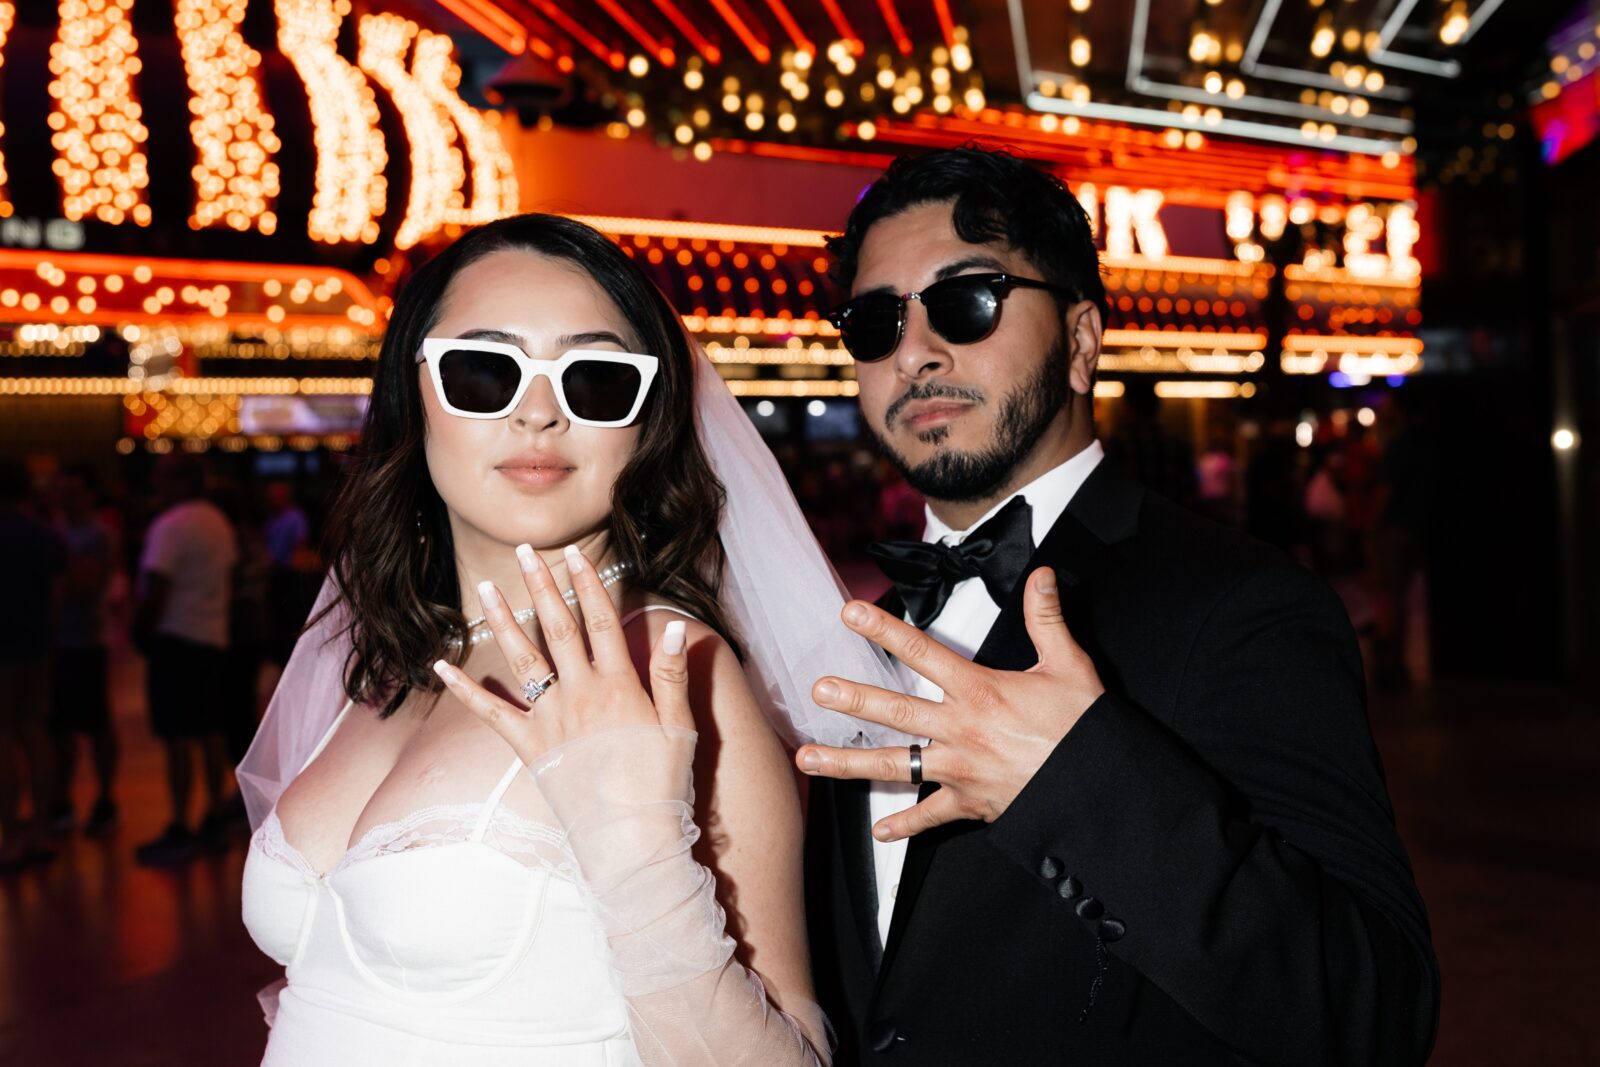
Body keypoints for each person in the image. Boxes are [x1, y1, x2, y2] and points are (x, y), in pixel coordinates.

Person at [795, 147, 1440, 1064]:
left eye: (965, 300)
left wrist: (1075, 778)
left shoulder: (1241, 599)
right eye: (875, 320)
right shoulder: (849, 638)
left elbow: (1374, 1011)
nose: (915, 350)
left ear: (1083, 339)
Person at [238, 214, 902, 1064]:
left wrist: (642, 858)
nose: (540, 414)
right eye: (485, 371)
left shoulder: (673, 667)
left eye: (593, 379)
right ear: (416, 393)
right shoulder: (398, 652)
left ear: (646, 420)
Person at [133, 453, 238, 864]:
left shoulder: (170, 526)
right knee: (209, 731)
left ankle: (180, 823)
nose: (155, 486)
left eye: (160, 478)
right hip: (212, 638)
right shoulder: (217, 522)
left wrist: (140, 631)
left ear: (177, 482)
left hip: (175, 639)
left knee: (177, 738)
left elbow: (156, 586)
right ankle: (213, 816)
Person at [47, 463, 120, 837]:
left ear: (89, 494)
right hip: (53, 643)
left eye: (73, 490)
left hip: (86, 640)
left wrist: (52, 560)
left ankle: (105, 797)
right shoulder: (53, 530)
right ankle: (60, 800)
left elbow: (87, 584)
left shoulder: (97, 534)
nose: (65, 498)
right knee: (57, 728)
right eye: (61, 490)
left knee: (95, 725)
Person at [0, 458, 66, 872]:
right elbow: (57, 599)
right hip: (37, 645)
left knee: (3, 739)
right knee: (35, 732)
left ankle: (9, 835)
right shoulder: (46, 536)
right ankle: (41, 829)